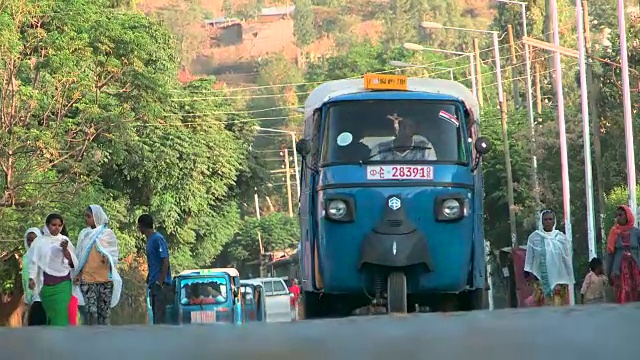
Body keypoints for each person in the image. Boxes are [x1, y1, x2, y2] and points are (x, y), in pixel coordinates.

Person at [74, 205, 122, 325]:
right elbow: (79, 255)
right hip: (87, 279)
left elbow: (113, 256)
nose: (86, 219)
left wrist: (106, 257)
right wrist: (78, 274)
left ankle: (104, 339)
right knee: (90, 312)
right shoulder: (84, 234)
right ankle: (92, 339)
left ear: (96, 217)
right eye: (86, 216)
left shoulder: (107, 234)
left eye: (89, 216)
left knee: (104, 314)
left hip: (105, 280)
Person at [27, 213, 78, 326]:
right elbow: (34, 262)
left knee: (60, 316)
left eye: (59, 225)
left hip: (63, 285)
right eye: (54, 225)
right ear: (47, 225)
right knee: (51, 316)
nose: (57, 228)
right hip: (46, 287)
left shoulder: (65, 240)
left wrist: (65, 250)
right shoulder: (39, 242)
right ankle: (53, 341)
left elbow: (72, 262)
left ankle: (61, 341)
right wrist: (31, 278)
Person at [523, 210, 575, 307]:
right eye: (545, 219)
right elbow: (529, 259)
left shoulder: (561, 238)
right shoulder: (534, 238)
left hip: (559, 283)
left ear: (554, 221)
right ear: (541, 221)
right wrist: (528, 275)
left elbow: (566, 260)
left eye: (550, 219)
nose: (547, 222)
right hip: (541, 282)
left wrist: (566, 277)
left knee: (558, 310)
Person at [138, 213, 172, 324]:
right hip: (153, 283)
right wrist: (149, 277)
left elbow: (165, 261)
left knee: (160, 318)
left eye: (139, 226)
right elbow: (154, 263)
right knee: (155, 316)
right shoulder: (149, 240)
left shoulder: (158, 239)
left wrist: (160, 282)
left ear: (142, 226)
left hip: (160, 285)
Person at [605, 205, 640, 304]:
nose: (618, 218)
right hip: (619, 271)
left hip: (636, 270)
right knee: (623, 296)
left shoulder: (636, 233)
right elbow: (610, 254)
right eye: (617, 216)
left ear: (627, 215)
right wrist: (609, 274)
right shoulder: (614, 232)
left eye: (621, 215)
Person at [369, 114, 437, 161]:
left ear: (414, 128)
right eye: (399, 124)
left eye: (408, 125)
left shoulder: (426, 149)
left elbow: (434, 173)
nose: (403, 128)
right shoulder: (379, 150)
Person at [22, 227, 47, 326]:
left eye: (34, 239)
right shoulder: (26, 257)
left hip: (42, 298)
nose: (31, 242)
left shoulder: (44, 255)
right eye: (29, 239)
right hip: (31, 300)